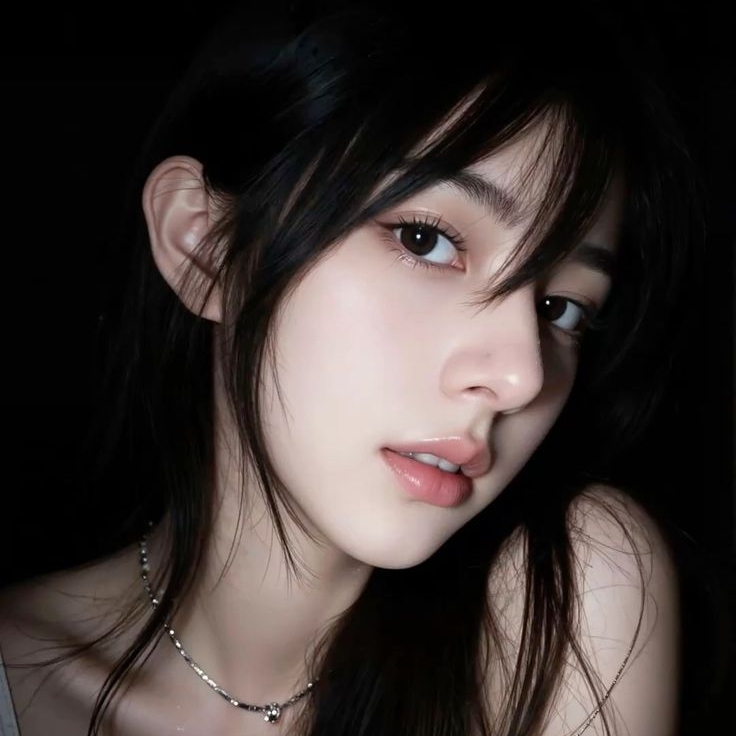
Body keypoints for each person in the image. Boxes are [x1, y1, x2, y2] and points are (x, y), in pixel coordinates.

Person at [0, 0, 704, 734]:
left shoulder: (564, 605)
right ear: (204, 244)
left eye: (561, 309)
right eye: (427, 240)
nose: (521, 376)